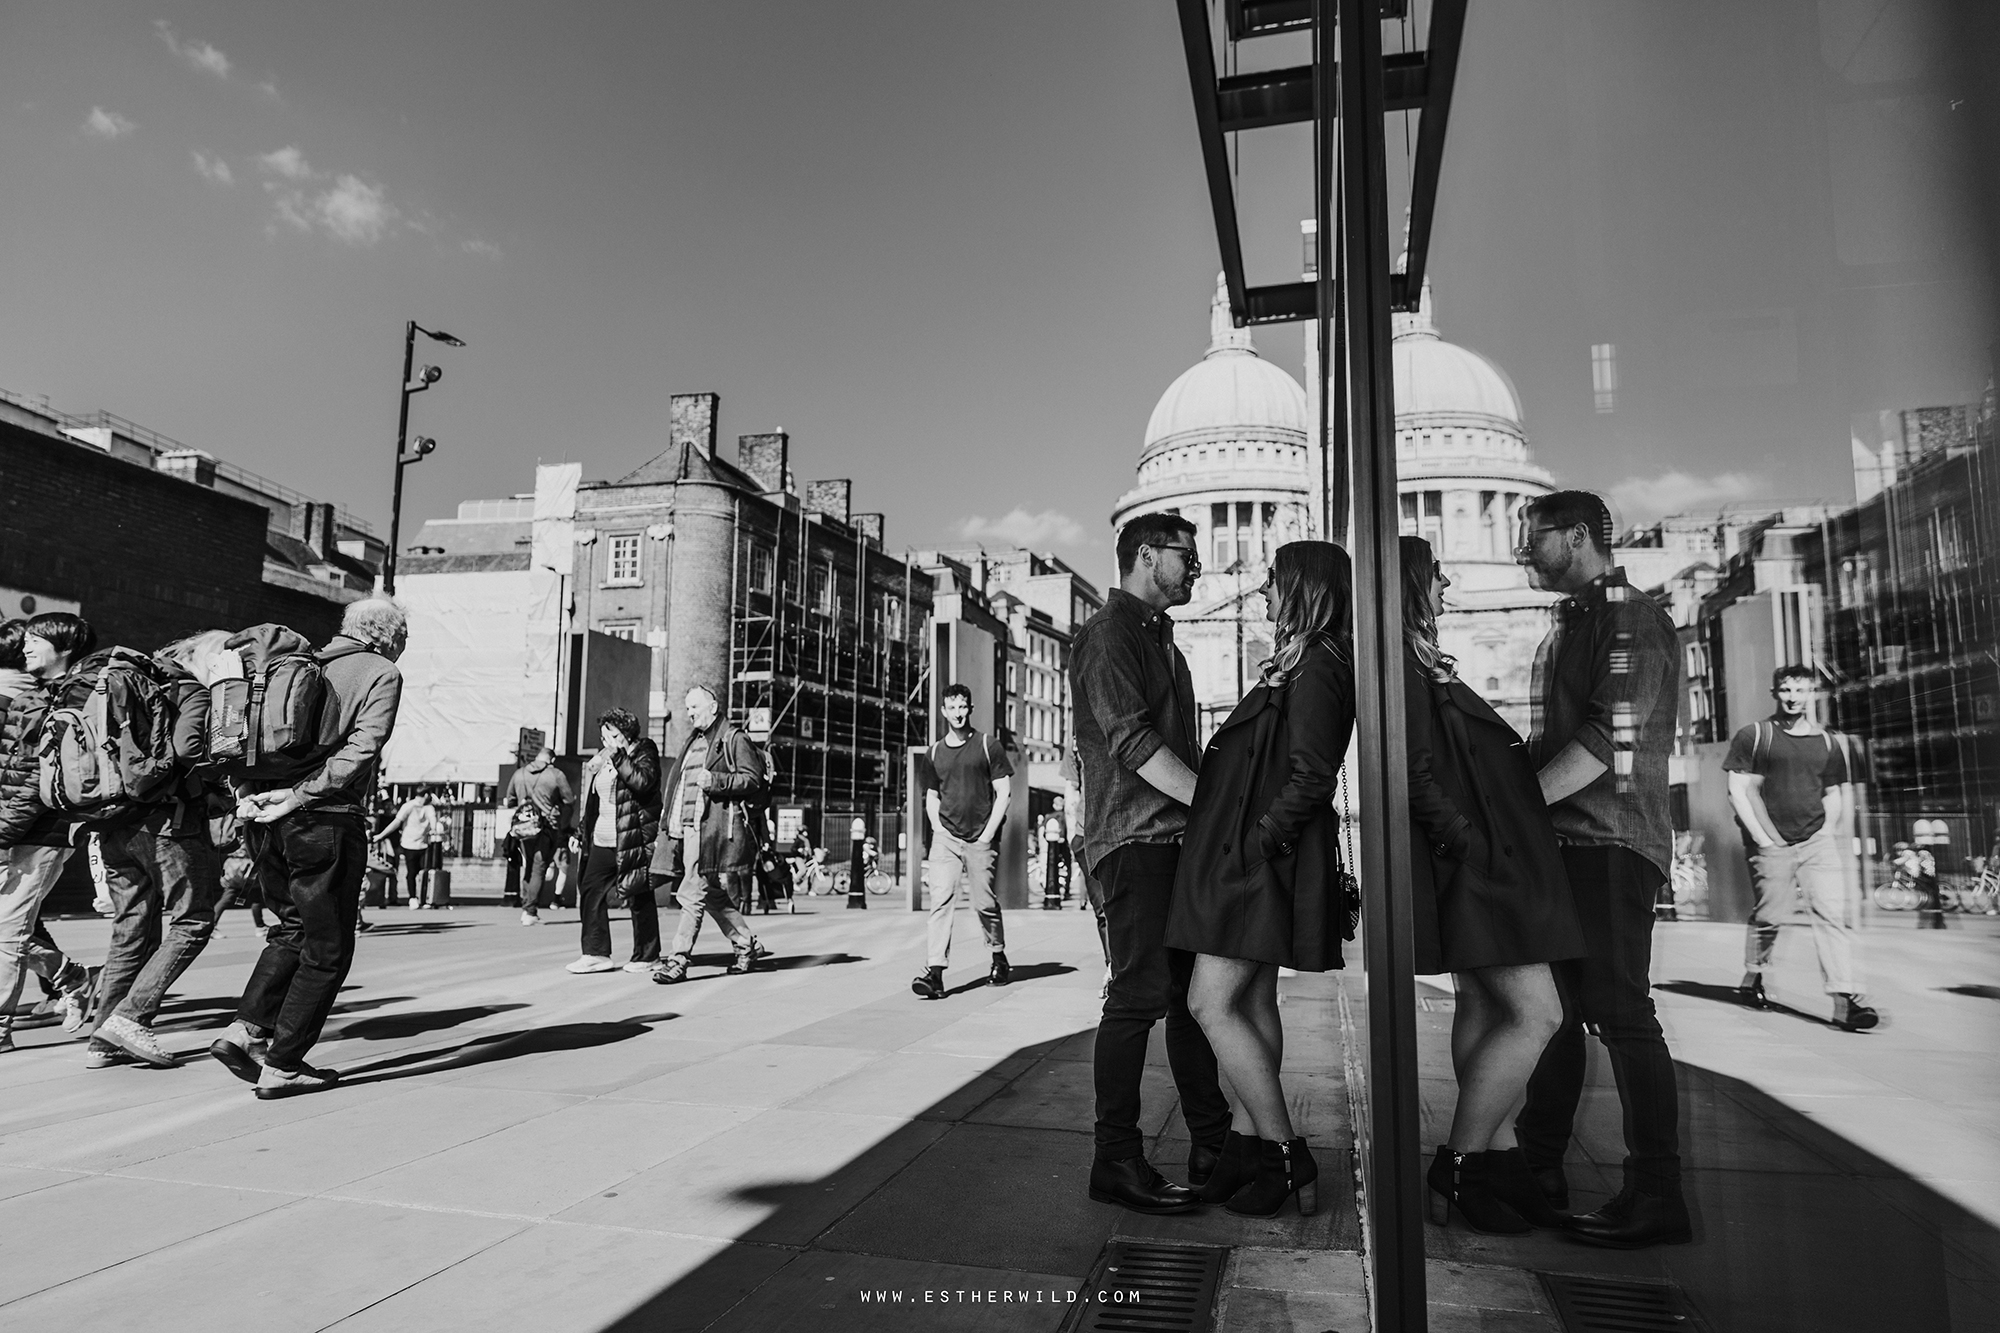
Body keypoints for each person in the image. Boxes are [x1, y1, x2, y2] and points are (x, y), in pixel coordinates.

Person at [1512, 492, 1689, 1248]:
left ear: (1577, 536)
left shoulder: (1630, 619)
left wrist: (1516, 808)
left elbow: (1604, 740)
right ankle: (1539, 1166)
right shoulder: (1574, 626)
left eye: (1536, 538)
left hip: (1611, 845)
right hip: (1569, 846)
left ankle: (1658, 1193)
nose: (1525, 552)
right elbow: (1551, 741)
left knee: (1621, 1014)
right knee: (1554, 1013)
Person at [1396, 537, 1584, 1233]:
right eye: (1437, 575)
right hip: (1478, 868)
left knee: (1484, 1002)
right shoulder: (1404, 667)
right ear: (1414, 585)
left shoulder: (1419, 663)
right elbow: (1414, 773)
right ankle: (1464, 1160)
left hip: (1474, 864)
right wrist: (1475, 844)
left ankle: (1499, 1162)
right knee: (1539, 1013)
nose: (1449, 584)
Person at [1169, 540, 1355, 1217]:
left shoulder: (1318, 669)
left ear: (1304, 589)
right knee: (1246, 1004)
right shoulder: (1306, 665)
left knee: (1208, 1002)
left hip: (1261, 866)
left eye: (1274, 583)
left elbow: (1309, 774)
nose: (1264, 594)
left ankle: (1281, 1148)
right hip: (1268, 863)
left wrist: (1252, 846)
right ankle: (1247, 1147)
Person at [1068, 511, 1230, 1215]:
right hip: (1132, 841)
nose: (1196, 566)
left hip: (1171, 843)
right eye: (1185, 555)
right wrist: (1215, 805)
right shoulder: (1107, 637)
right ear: (1144, 555)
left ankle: (1213, 1144)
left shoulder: (1166, 645)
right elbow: (1132, 745)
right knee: (1134, 1000)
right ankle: (1116, 1158)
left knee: (1193, 1004)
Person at [209, 599, 407, 1099]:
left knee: (291, 930)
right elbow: (363, 747)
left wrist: (255, 797)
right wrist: (301, 795)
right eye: (404, 641)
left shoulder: (298, 665)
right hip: (324, 820)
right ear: (387, 637)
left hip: (263, 818)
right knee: (328, 948)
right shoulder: (379, 670)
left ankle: (246, 1030)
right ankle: (284, 1063)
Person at [81, 628, 232, 1069]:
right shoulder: (193, 692)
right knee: (194, 920)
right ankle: (131, 1018)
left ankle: (101, 1039)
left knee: (132, 928)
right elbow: (188, 749)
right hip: (168, 825)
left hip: (114, 822)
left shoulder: (133, 679)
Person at [1728, 667, 1878, 1031]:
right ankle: (1754, 976)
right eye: (1786, 689)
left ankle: (1847, 1001)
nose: (1793, 696)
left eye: (1801, 689)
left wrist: (1827, 832)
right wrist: (1766, 840)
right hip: (1770, 844)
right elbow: (1739, 789)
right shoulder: (1755, 736)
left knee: (1831, 915)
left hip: (1816, 843)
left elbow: (1833, 792)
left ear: (1813, 693)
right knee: (1770, 916)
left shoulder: (1828, 742)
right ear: (1775, 693)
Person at [0, 617, 97, 1051]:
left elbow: (31, 780)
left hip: (44, 831)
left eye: (37, 640)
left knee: (8, 931)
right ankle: (71, 976)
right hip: (13, 826)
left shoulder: (79, 697)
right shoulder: (33, 696)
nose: (27, 646)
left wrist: (2, 833)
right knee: (7, 930)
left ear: (64, 647)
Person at [652, 686, 769, 983]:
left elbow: (752, 779)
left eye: (694, 707)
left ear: (713, 707)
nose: (689, 713)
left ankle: (678, 960)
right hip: (687, 828)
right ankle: (746, 944)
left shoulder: (734, 738)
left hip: (710, 830)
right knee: (713, 895)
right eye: (687, 707)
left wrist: (716, 780)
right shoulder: (692, 742)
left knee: (690, 893)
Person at [911, 683, 1013, 999]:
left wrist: (987, 833)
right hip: (947, 839)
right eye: (951, 707)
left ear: (969, 709)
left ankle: (998, 955)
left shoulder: (988, 745)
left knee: (984, 902)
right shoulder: (935, 752)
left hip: (981, 837)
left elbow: (1004, 792)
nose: (957, 713)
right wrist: (937, 829)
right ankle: (935, 973)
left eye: (962, 707)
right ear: (943, 711)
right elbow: (930, 795)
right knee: (941, 900)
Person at [566, 708, 662, 974]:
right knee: (590, 891)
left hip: (631, 837)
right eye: (604, 735)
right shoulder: (606, 758)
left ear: (626, 734)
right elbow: (596, 802)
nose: (606, 741)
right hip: (602, 838)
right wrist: (580, 832)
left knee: (638, 895)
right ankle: (596, 953)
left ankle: (648, 956)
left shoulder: (644, 751)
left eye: (613, 735)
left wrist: (619, 756)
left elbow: (642, 783)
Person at [505, 746, 572, 926]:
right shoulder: (556, 774)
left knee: (528, 867)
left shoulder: (519, 774)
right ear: (551, 759)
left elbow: (510, 799)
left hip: (524, 829)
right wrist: (563, 825)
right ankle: (530, 911)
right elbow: (569, 801)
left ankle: (526, 907)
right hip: (546, 827)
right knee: (539, 868)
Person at [377, 791, 441, 909]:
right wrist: (381, 836)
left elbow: (433, 820)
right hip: (409, 844)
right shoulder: (408, 806)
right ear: (426, 795)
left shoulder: (428, 807)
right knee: (411, 872)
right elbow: (397, 822)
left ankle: (425, 897)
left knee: (424, 871)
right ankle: (412, 898)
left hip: (424, 844)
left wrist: (433, 829)